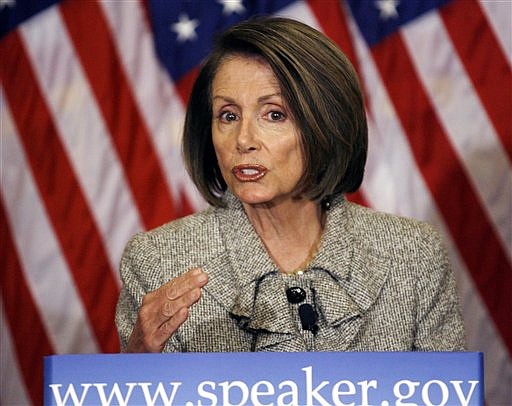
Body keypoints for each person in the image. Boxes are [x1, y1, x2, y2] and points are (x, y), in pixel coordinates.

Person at [115, 16, 465, 353]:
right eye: (228, 115)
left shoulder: (414, 256)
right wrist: (136, 370)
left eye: (274, 114)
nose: (243, 139)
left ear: (324, 125)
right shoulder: (156, 262)